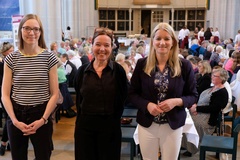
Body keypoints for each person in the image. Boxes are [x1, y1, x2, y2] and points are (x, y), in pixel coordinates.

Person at [128, 22, 198, 160]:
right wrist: (147, 105)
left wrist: (176, 101)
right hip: (148, 124)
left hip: (172, 125)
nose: (162, 43)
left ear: (173, 41)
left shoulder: (184, 65)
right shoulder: (143, 64)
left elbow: (193, 96)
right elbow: (132, 94)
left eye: (166, 38)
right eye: (158, 38)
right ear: (152, 41)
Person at [1, 14, 59, 160]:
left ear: (40, 32)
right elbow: (5, 94)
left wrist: (43, 119)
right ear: (21, 30)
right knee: (18, 156)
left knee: (43, 156)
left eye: (35, 29)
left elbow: (54, 94)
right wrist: (14, 120)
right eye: (27, 28)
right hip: (16, 113)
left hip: (41, 113)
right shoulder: (11, 58)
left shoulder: (49, 57)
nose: (31, 33)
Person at [74, 27, 128, 160]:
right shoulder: (82, 71)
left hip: (110, 127)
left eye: (106, 45)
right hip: (85, 127)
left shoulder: (118, 71)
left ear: (112, 47)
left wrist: (115, 119)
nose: (102, 49)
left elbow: (123, 97)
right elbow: (79, 97)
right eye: (98, 44)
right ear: (92, 46)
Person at [182, 68, 229, 156]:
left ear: (222, 78)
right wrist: (194, 106)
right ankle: (185, 144)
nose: (212, 77)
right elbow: (200, 98)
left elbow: (214, 108)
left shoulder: (222, 92)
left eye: (215, 76)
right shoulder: (213, 87)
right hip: (199, 112)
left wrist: (197, 109)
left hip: (208, 118)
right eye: (212, 75)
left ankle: (192, 148)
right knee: (183, 119)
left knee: (195, 124)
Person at [0, 42, 14, 156]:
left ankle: (7, 142)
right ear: (5, 53)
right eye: (10, 51)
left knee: (12, 118)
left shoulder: (14, 62)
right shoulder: (1, 64)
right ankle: (4, 143)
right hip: (5, 94)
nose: (12, 53)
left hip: (14, 93)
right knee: (9, 118)